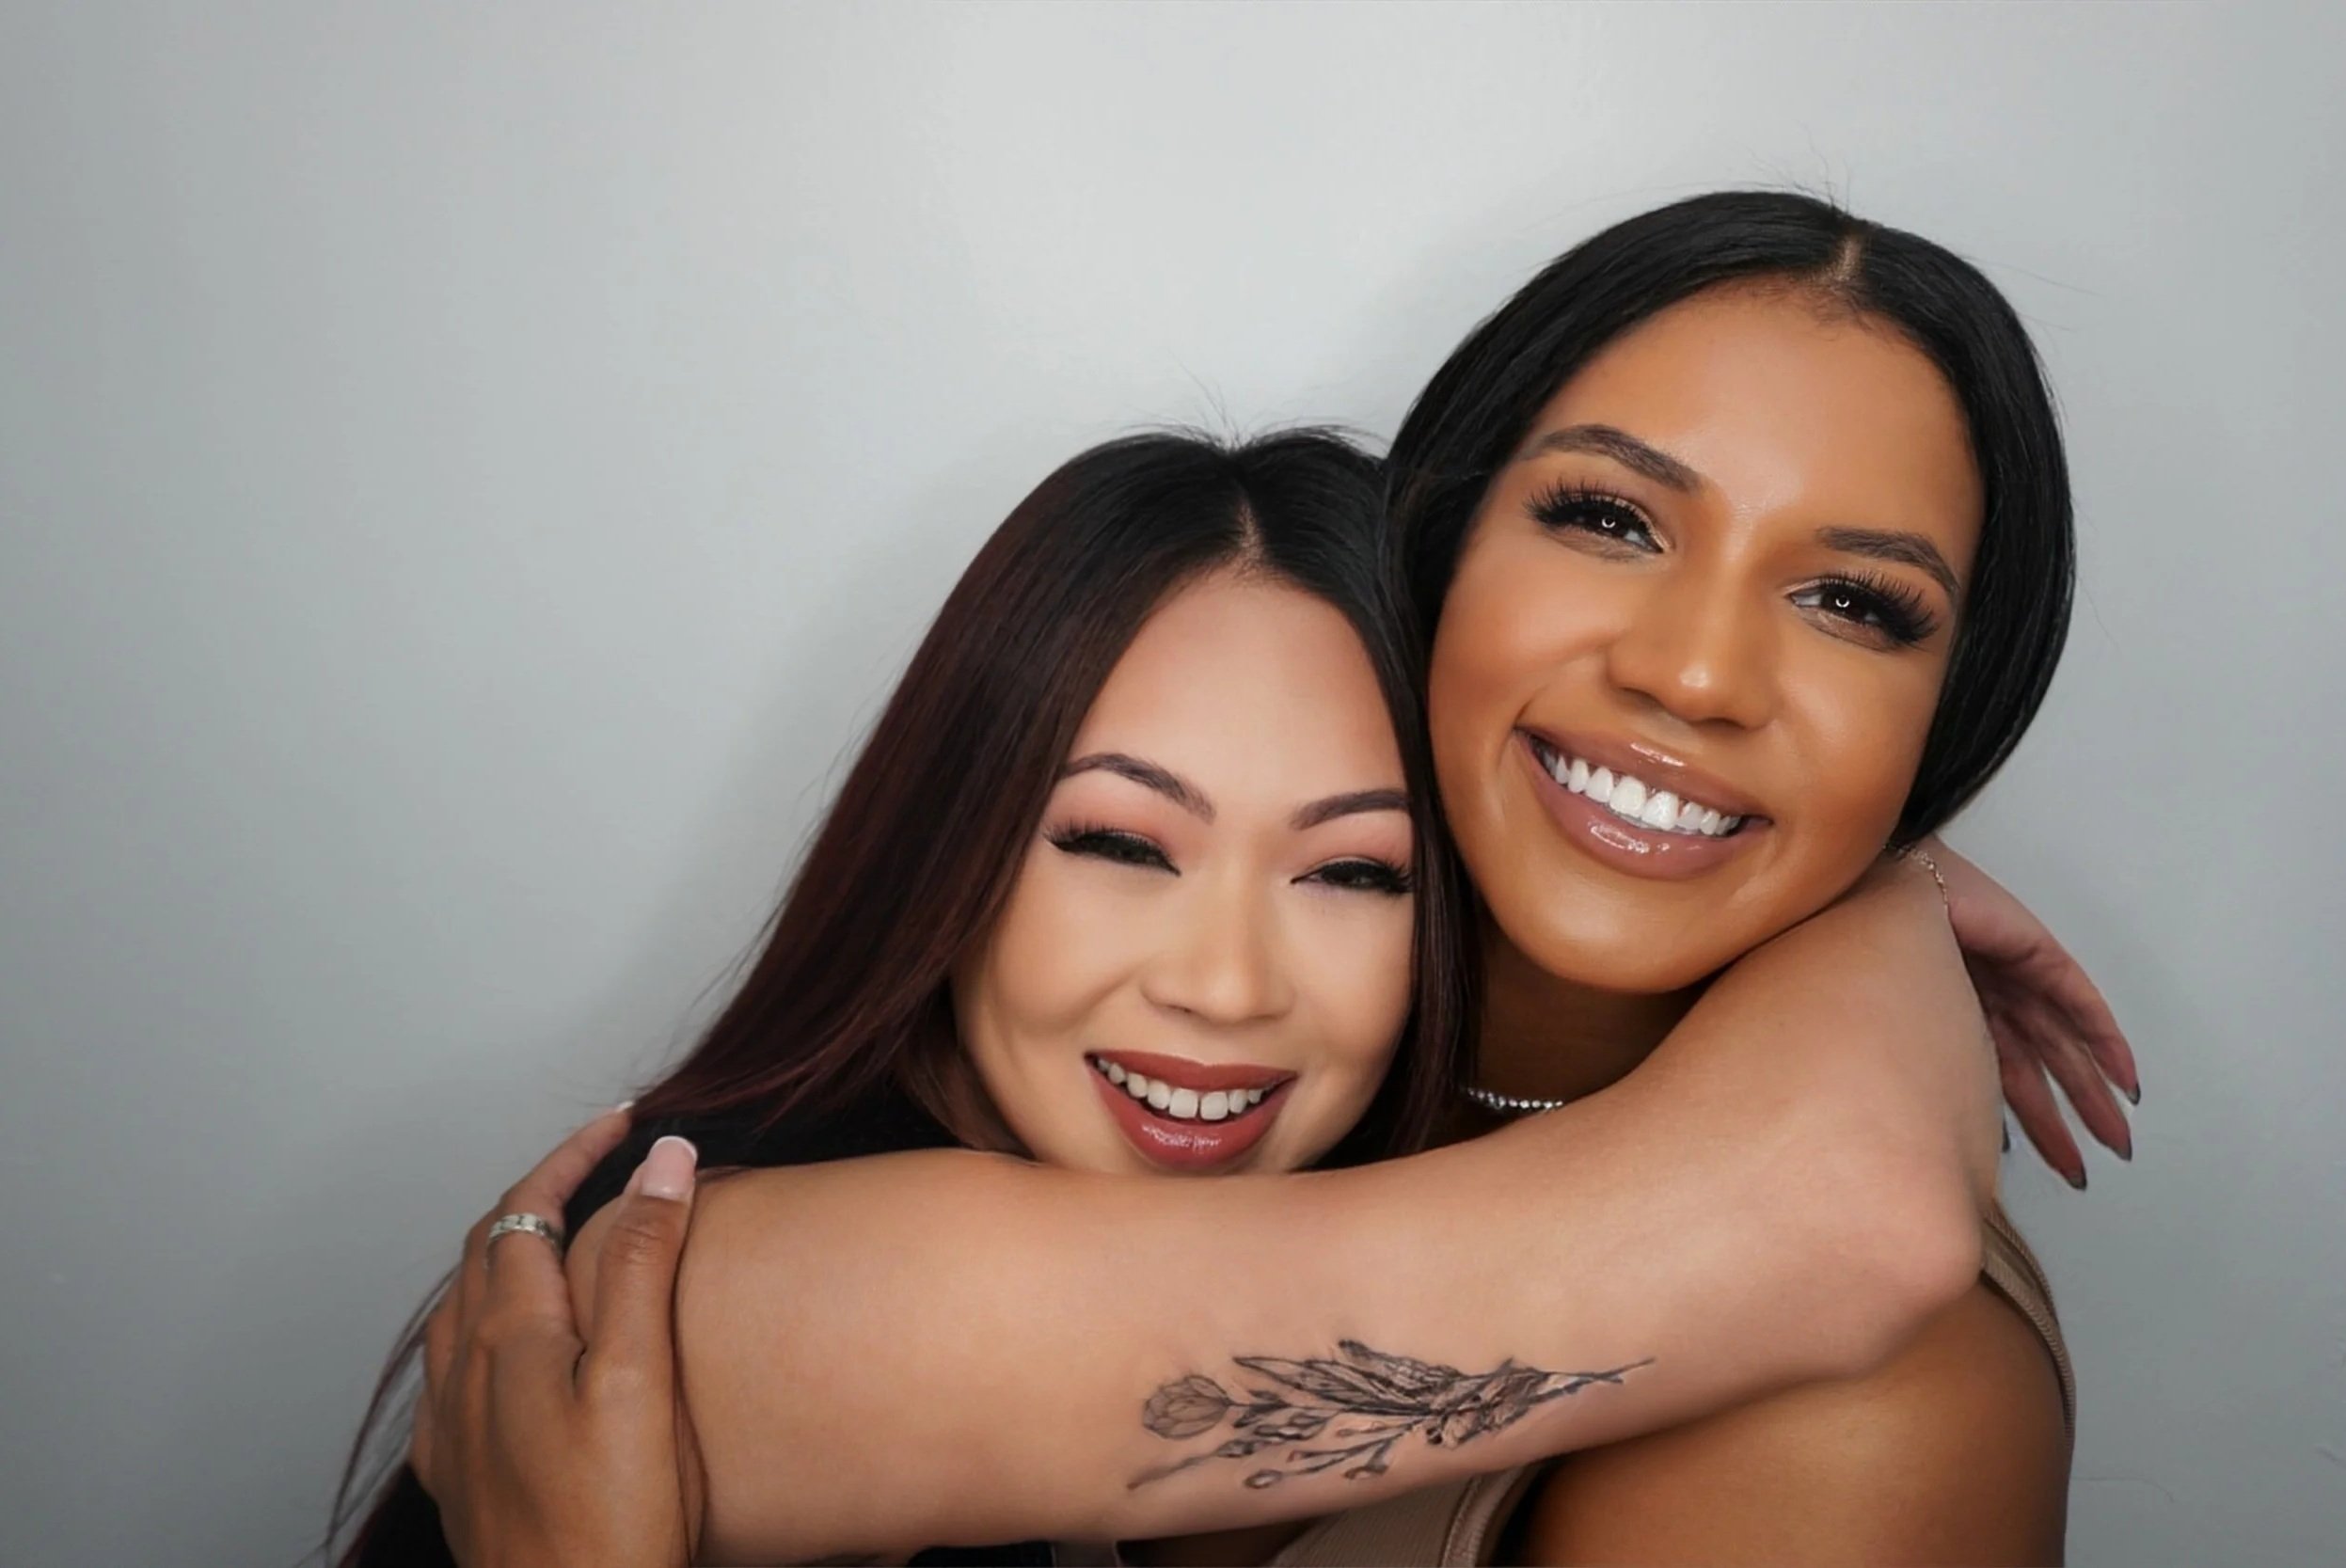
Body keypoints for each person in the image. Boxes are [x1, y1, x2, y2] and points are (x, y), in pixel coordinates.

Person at [366, 192, 2134, 1564]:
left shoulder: (1864, 1408)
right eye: (1607, 515)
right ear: (1438, 562)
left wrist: (1885, 908)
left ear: (1948, 713)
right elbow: (1830, 1207)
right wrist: (1889, 925)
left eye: (1859, 606)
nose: (1695, 675)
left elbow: (1853, 1224)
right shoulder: (743, 1275)